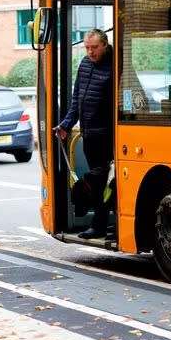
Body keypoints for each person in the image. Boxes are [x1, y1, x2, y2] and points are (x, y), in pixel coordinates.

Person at [53, 28, 114, 239]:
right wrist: (66, 125)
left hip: (109, 137)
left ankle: (100, 224)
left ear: (105, 44)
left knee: (102, 182)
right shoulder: (85, 64)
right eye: (87, 48)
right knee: (100, 185)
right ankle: (102, 222)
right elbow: (77, 100)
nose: (90, 52)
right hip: (89, 136)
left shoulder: (116, 65)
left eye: (95, 47)